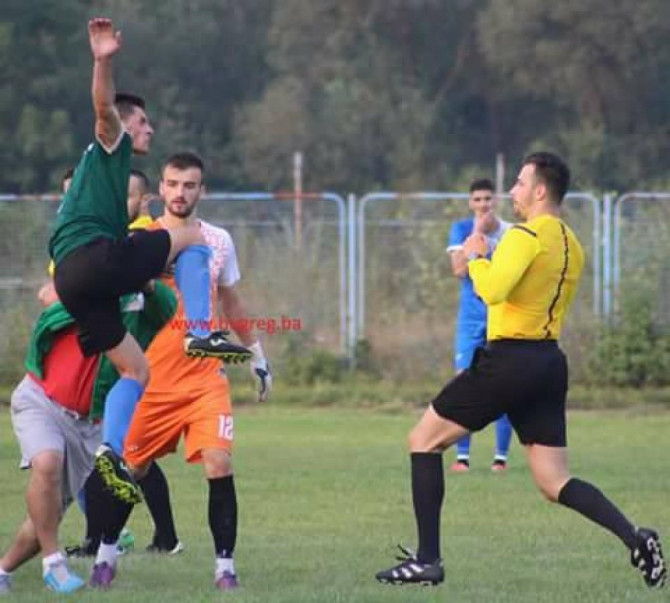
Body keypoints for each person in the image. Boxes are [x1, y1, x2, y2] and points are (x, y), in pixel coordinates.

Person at [375, 152, 666, 589]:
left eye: (519, 182)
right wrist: (495, 256)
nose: (512, 190)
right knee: (554, 480)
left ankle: (427, 561)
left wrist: (476, 256)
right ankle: (637, 538)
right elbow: (529, 288)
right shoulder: (571, 244)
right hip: (548, 363)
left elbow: (492, 290)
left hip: (510, 360)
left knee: (423, 440)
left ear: (540, 190)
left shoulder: (524, 235)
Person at [48, 18, 251, 503]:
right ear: (124, 124)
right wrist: (103, 60)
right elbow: (103, 107)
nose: (149, 128)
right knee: (193, 236)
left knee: (136, 371)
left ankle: (111, 451)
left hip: (76, 279)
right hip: (92, 257)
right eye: (143, 121)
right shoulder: (111, 143)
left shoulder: (104, 171)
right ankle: (200, 333)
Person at [86, 151, 272, 590]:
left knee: (219, 463)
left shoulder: (218, 240)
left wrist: (258, 355)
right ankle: (106, 556)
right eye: (173, 184)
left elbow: (231, 300)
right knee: (133, 470)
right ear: (161, 189)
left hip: (205, 380)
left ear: (201, 190)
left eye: (189, 185)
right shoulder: (141, 241)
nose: (180, 192)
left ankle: (225, 570)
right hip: (152, 380)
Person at [0, 277, 177, 594]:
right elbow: (47, 293)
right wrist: (89, 292)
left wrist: (142, 282)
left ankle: (3, 570)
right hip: (41, 399)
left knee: (47, 515)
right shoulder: (89, 277)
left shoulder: (146, 299)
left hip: (86, 425)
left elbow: (165, 307)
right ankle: (54, 565)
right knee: (47, 462)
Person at [446, 178, 513, 472]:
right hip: (471, 319)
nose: (483, 204)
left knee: (504, 385)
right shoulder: (461, 229)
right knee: (463, 382)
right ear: (470, 202)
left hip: (501, 316)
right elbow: (460, 270)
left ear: (495, 200)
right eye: (477, 199)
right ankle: (462, 457)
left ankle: (501, 458)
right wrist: (478, 234)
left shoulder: (510, 232)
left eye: (488, 198)